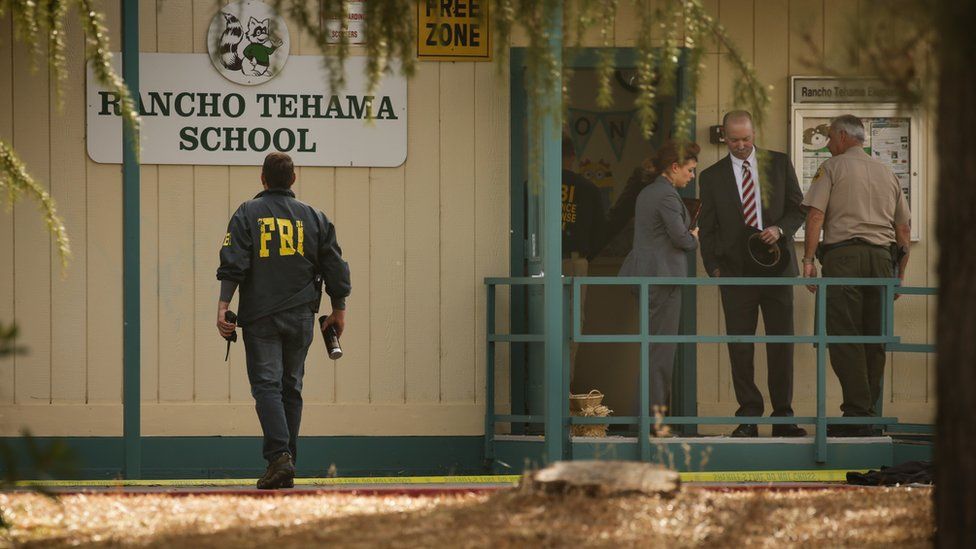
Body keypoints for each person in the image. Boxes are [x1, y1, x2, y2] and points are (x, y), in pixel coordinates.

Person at [216, 151, 351, 488]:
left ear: (263, 178)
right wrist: (339, 308)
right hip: (301, 317)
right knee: (291, 386)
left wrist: (223, 305)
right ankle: (286, 460)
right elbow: (335, 264)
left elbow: (234, 261)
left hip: (261, 316)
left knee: (266, 385)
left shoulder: (247, 213)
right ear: (293, 179)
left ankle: (279, 458)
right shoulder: (315, 218)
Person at [698, 111, 807, 438]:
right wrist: (713, 267)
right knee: (740, 346)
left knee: (781, 345)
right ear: (724, 137)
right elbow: (708, 228)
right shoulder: (711, 176)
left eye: (746, 139)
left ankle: (783, 417)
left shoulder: (778, 163)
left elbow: (798, 207)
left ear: (754, 133)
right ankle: (748, 416)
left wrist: (780, 230)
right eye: (734, 141)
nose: (742, 146)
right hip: (735, 273)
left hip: (777, 269)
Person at [801, 114, 910, 437]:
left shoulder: (832, 169)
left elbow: (816, 215)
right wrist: (899, 275)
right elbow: (903, 229)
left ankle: (856, 415)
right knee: (874, 338)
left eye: (832, 138)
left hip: (843, 259)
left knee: (843, 335)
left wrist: (808, 260)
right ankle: (868, 415)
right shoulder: (887, 172)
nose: (830, 145)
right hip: (881, 260)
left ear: (844, 136)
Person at [618, 140, 699, 428]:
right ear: (674, 167)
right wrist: (695, 237)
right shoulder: (666, 196)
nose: (692, 176)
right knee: (661, 352)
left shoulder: (648, 192)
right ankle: (651, 422)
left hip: (648, 276)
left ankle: (646, 419)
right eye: (689, 170)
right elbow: (681, 239)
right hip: (661, 278)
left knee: (652, 349)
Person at [561, 134, 607, 386]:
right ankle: (564, 393)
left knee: (537, 328)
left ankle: (538, 399)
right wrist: (585, 255)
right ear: (572, 157)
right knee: (572, 328)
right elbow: (601, 232)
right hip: (575, 261)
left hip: (539, 261)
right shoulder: (588, 188)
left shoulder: (533, 186)